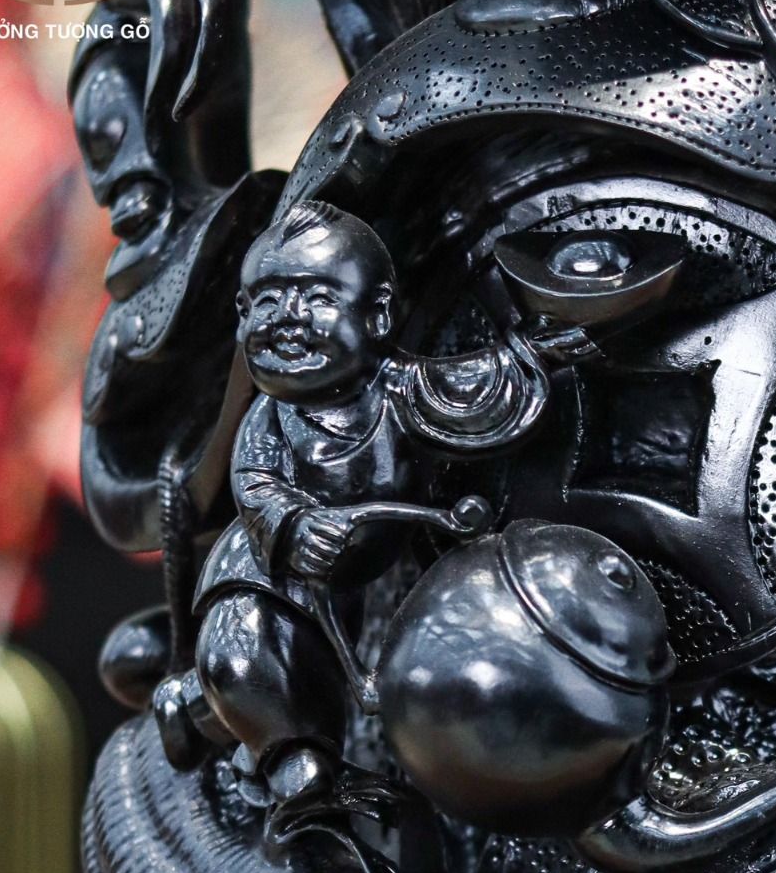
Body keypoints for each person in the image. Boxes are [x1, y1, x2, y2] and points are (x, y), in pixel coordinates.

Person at [182, 200, 560, 813]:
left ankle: (197, 708)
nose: (289, 319)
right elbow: (255, 483)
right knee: (243, 654)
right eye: (268, 302)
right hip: (264, 573)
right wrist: (294, 524)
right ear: (241, 316)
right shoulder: (270, 418)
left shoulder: (395, 389)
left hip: (350, 586)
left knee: (309, 672)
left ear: (378, 314)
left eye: (318, 299)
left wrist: (538, 351)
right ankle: (292, 762)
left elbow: (471, 390)